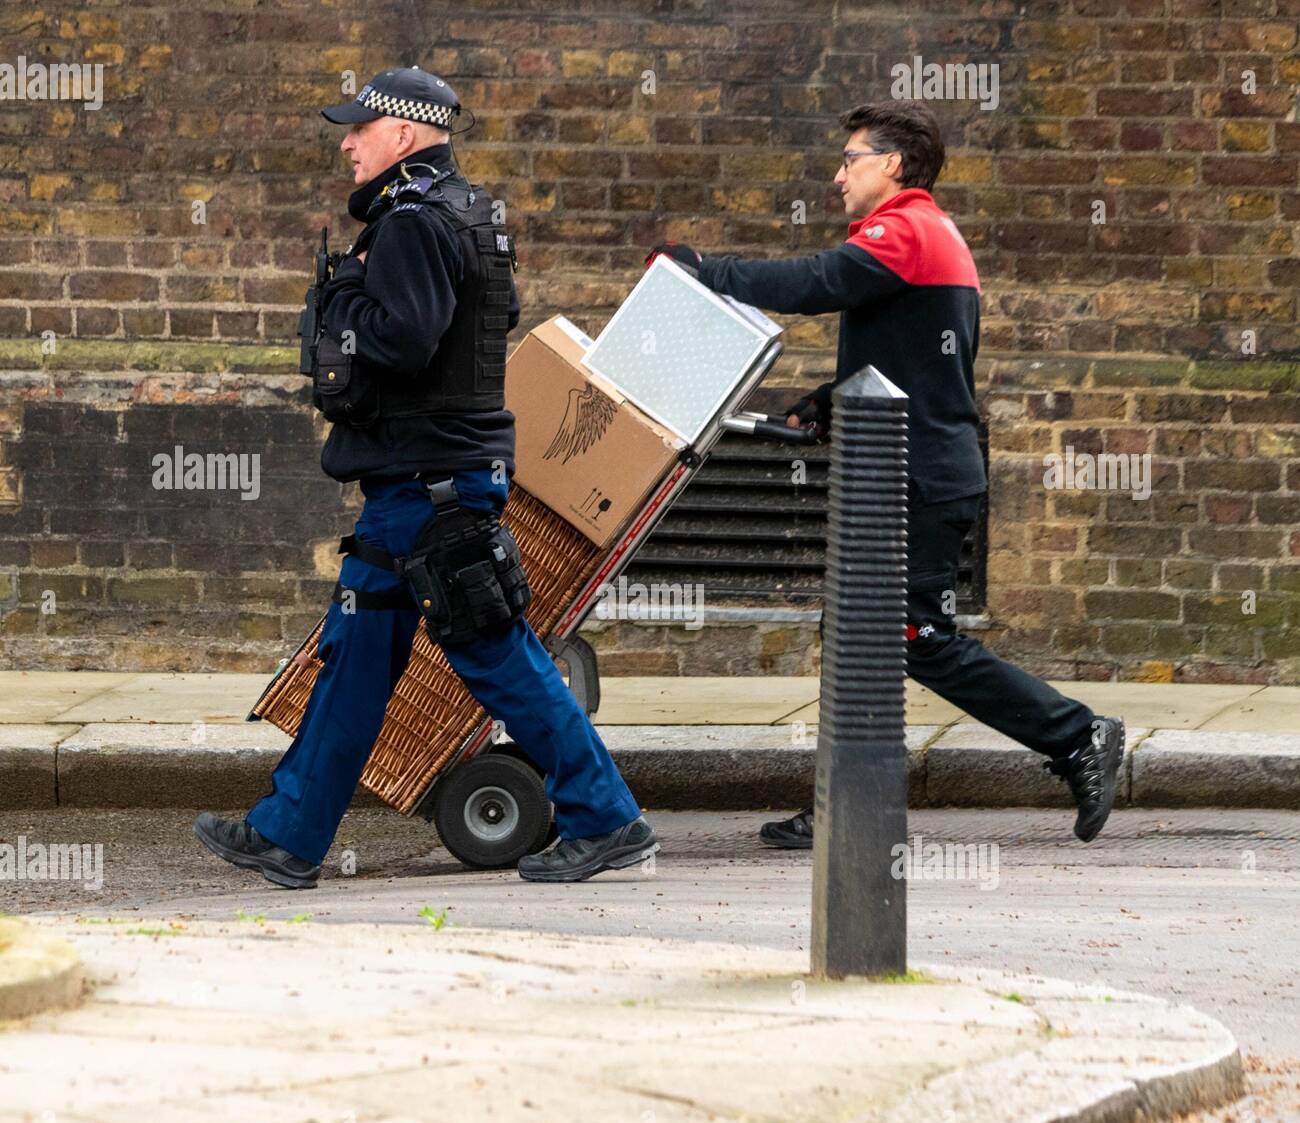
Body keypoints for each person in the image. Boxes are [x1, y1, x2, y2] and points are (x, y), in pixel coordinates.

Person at [194, 68, 656, 888]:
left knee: (496, 655)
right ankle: (288, 834)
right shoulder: (468, 212)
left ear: (403, 134)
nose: (346, 142)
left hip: (432, 484)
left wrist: (338, 305)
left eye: (358, 129)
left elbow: (405, 340)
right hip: (415, 486)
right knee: (354, 657)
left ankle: (608, 818)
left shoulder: (411, 221)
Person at [648, 101, 1124, 849]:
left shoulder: (905, 227)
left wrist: (708, 272)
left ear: (892, 165)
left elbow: (817, 282)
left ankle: (1078, 735)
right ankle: (848, 805)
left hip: (921, 480)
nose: (838, 175)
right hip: (909, 470)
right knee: (861, 637)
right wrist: (825, 403)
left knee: (914, 636)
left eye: (850, 160)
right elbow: (917, 363)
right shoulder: (926, 233)